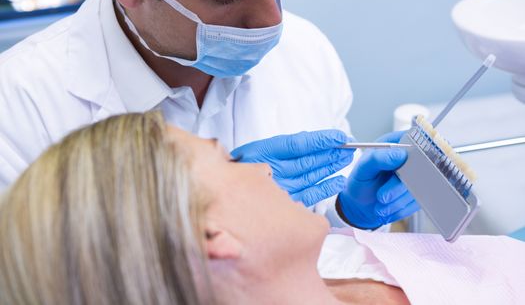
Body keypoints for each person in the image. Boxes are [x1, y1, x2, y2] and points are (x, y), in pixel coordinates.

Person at [0, 0, 418, 229]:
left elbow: (321, 246)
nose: (272, 20)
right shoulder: (20, 105)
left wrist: (349, 215)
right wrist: (184, 232)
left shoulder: (305, 51)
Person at [1, 112, 523, 305]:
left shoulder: (318, 265)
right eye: (228, 160)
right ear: (212, 237)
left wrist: (352, 216)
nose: (266, 167)